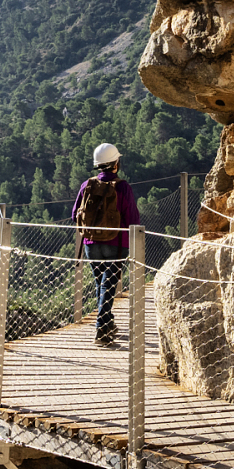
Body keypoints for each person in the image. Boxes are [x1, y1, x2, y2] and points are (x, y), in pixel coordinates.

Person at [73, 142, 141, 345]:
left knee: (101, 284)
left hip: (90, 242)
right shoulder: (122, 187)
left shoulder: (87, 185)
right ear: (116, 163)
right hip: (116, 242)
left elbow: (74, 213)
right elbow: (132, 219)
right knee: (109, 285)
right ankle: (101, 331)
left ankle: (108, 322)